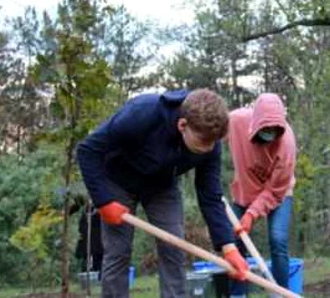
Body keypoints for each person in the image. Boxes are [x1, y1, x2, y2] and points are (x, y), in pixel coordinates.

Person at [77, 89, 249, 298]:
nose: (208, 149)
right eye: (203, 143)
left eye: (213, 143)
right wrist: (103, 200)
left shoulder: (210, 140)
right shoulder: (141, 114)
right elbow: (87, 150)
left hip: (162, 187)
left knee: (173, 247)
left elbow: (210, 195)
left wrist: (228, 247)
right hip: (117, 182)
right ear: (182, 125)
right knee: (118, 252)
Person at [226, 93, 297, 297]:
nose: (270, 135)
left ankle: (280, 293)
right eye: (265, 130)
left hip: (277, 192)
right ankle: (238, 293)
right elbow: (211, 131)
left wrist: (251, 214)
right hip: (244, 190)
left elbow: (275, 190)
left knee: (278, 240)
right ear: (255, 124)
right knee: (235, 241)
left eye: (274, 131)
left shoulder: (287, 145)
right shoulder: (236, 121)